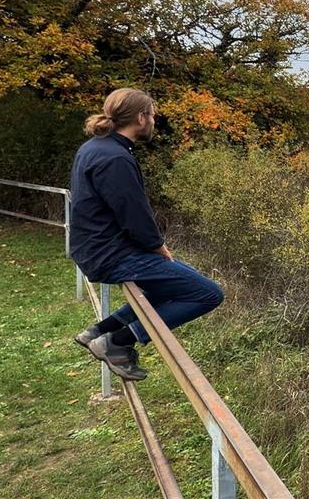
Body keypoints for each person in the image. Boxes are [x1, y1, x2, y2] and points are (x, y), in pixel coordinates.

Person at [70, 88, 224, 381]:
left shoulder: (95, 147)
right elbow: (133, 214)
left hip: (97, 247)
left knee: (176, 281)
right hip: (111, 254)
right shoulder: (115, 158)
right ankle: (117, 342)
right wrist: (157, 247)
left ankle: (99, 330)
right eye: (152, 115)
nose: (154, 120)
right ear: (141, 118)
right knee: (208, 293)